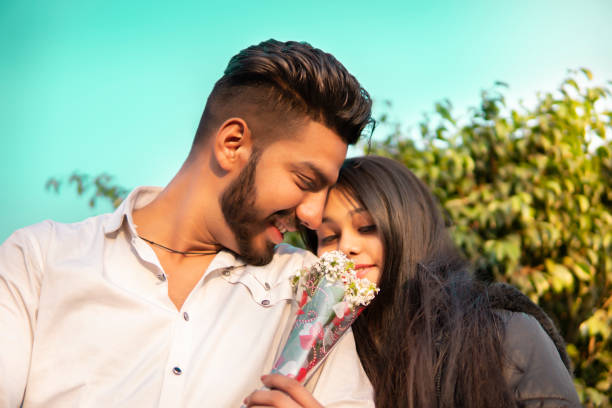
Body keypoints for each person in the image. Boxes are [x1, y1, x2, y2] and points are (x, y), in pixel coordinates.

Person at [0, 40, 375, 407]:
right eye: (306, 182)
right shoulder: (40, 261)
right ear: (232, 143)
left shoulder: (312, 291)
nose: (312, 216)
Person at [300, 155, 581, 408]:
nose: (346, 246)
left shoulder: (504, 335)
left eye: (367, 227)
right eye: (329, 237)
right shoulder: (321, 351)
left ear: (408, 227)